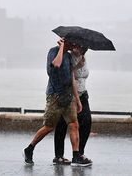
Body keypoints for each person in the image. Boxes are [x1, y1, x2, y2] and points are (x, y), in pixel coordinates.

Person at [23, 39, 92, 167]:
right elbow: (56, 64)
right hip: (54, 96)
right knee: (49, 127)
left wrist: (77, 99)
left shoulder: (68, 56)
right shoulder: (53, 52)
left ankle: (76, 156)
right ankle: (29, 148)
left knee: (73, 124)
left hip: (68, 96)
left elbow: (71, 77)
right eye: (71, 43)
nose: (73, 45)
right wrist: (61, 48)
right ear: (64, 42)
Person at [53, 44, 93, 165]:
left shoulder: (84, 58)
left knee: (86, 123)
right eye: (79, 47)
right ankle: (58, 156)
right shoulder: (67, 57)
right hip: (68, 95)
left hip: (83, 94)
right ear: (73, 46)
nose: (81, 49)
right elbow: (67, 76)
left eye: (83, 48)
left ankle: (79, 153)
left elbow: (82, 77)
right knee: (62, 125)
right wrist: (77, 67)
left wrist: (81, 64)